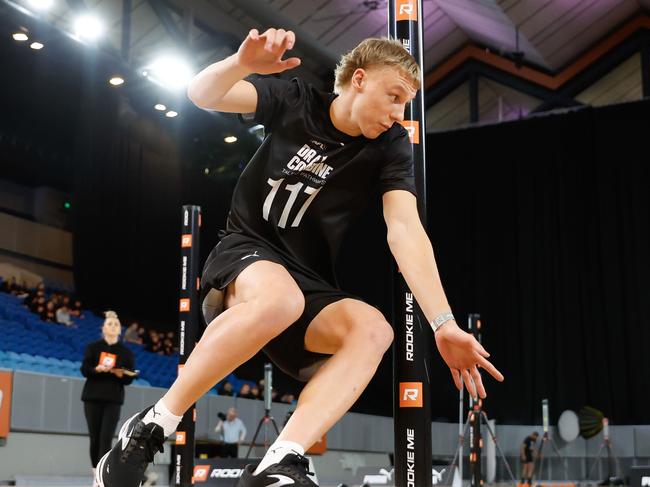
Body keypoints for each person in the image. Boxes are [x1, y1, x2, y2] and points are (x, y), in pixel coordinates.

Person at [95, 28, 504, 487]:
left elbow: (405, 229)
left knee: (373, 329)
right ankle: (153, 425)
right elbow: (200, 94)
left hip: (307, 279)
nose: (397, 114)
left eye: (405, 104)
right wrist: (240, 63)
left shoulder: (389, 146)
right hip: (247, 252)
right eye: (393, 97)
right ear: (360, 79)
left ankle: (281, 461)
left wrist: (443, 323)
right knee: (280, 298)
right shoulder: (295, 100)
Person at [81, 311, 136, 480]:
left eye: (116, 325)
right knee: (95, 437)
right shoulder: (93, 347)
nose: (113, 327)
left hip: (113, 399)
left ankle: (102, 475)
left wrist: (122, 375)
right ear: (103, 328)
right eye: (110, 324)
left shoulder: (126, 353)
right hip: (92, 396)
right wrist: (96, 369)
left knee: (106, 438)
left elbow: (129, 379)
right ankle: (95, 474)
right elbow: (85, 369)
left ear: (120, 330)